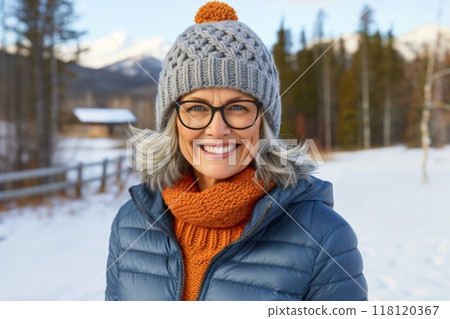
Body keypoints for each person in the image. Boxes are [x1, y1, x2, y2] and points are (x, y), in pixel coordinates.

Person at [105, 1, 367, 301]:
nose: (217, 129)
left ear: (264, 122)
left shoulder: (323, 236)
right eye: (197, 108)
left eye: (238, 107)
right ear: (173, 121)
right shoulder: (131, 224)